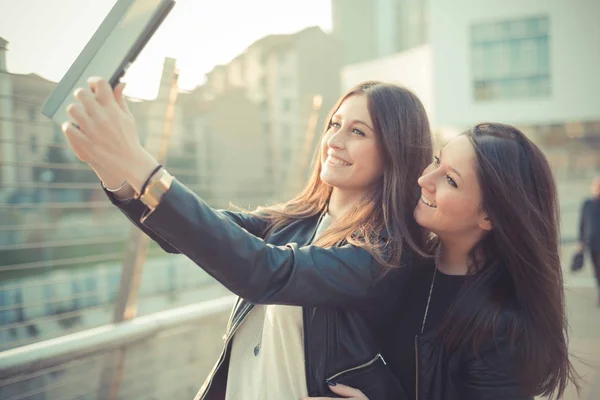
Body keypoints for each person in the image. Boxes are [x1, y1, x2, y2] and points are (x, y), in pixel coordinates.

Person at [60, 78, 433, 399]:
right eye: (334, 124)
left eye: (357, 131)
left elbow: (264, 272)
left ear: (393, 152)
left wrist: (140, 163)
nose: (334, 140)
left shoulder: (383, 253)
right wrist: (109, 164)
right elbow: (190, 234)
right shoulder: (292, 221)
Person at [308, 123, 579, 400]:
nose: (424, 180)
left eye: (450, 180)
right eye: (437, 161)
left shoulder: (504, 328)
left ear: (489, 217)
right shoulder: (406, 263)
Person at [578, 176, 600, 304]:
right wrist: (581, 241)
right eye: (596, 186)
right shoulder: (587, 204)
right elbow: (582, 223)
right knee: (596, 270)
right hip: (591, 243)